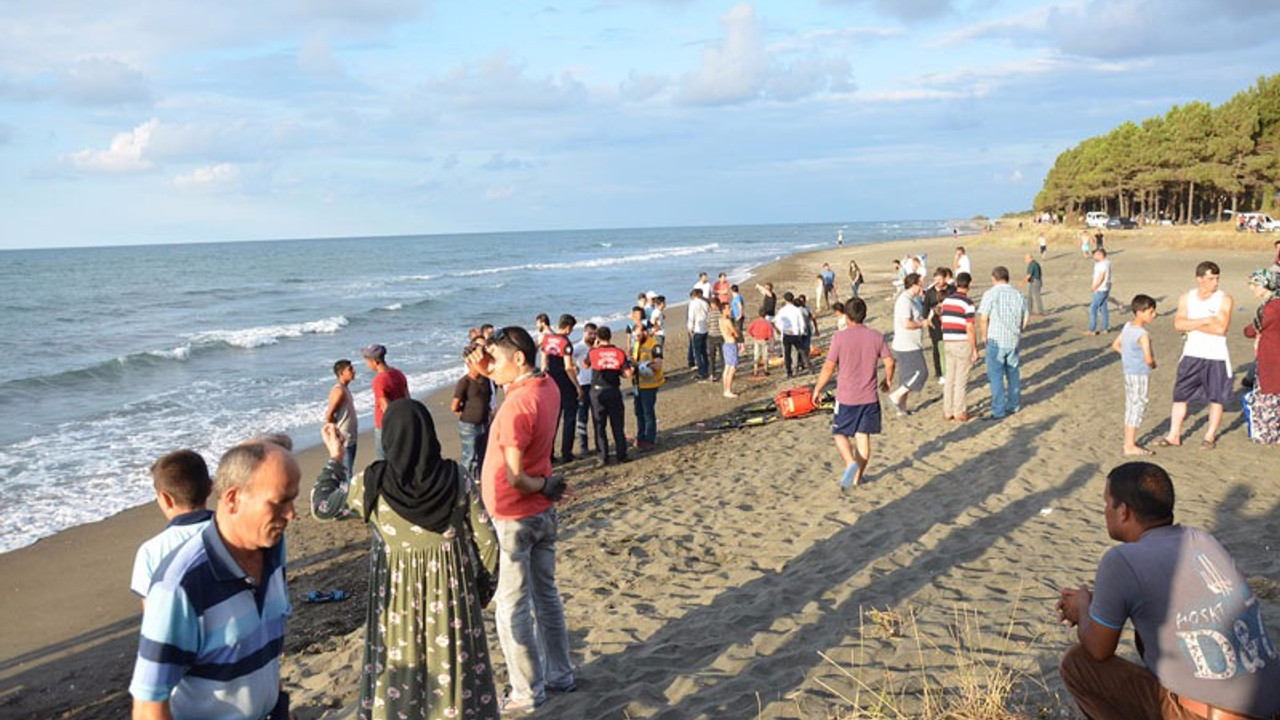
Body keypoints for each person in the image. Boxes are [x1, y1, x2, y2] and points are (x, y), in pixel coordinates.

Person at [311, 401, 501, 720]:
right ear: (430, 434)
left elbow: (322, 507)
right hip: (452, 601)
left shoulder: (371, 483)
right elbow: (488, 543)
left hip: (396, 603)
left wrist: (335, 458)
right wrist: (480, 592)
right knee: (452, 671)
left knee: (400, 671)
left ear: (389, 440)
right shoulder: (457, 477)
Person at [1056, 461, 1280, 720]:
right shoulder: (1203, 540)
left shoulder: (1120, 560)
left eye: (1107, 503)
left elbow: (1098, 649)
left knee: (1078, 665)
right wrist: (1101, 605)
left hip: (1208, 714)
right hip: (1268, 707)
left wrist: (1084, 608)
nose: (1105, 511)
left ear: (1124, 511)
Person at [130, 440, 300, 720]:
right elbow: (149, 705)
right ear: (232, 499)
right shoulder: (179, 587)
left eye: (293, 499)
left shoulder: (273, 550)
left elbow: (261, 650)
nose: (291, 513)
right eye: (280, 501)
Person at [464, 326, 574, 713]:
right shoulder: (547, 388)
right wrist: (485, 370)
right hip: (541, 515)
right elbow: (511, 384)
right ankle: (561, 674)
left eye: (496, 358)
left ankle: (527, 691)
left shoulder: (516, 406)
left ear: (520, 359)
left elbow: (515, 477)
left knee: (511, 606)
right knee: (547, 595)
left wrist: (543, 484)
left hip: (515, 515)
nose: (490, 365)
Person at [811, 297, 895, 490]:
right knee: (863, 437)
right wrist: (888, 379)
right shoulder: (876, 336)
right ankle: (858, 477)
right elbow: (890, 362)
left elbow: (828, 368)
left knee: (839, 433)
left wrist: (817, 389)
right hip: (869, 398)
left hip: (847, 397)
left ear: (847, 316)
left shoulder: (839, 338)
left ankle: (850, 463)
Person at [1158, 262, 1234, 450]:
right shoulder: (1187, 297)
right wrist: (1206, 320)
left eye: (1217, 278)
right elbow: (1178, 324)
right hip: (1192, 353)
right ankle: (1174, 435)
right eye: (1210, 278)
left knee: (1216, 398)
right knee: (1180, 395)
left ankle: (1209, 436)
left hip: (1216, 356)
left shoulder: (1224, 299)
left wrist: (1192, 324)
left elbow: (1220, 328)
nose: (1215, 282)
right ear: (1200, 279)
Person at [130, 450, 213, 605]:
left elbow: (152, 614)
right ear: (210, 487)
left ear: (166, 499)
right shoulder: (235, 532)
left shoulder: (150, 551)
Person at [978, 266, 1029, 420]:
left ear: (994, 278)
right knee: (1013, 374)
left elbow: (983, 317)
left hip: (996, 340)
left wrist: (984, 336)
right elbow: (1026, 318)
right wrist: (1019, 330)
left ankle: (998, 410)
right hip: (1013, 340)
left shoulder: (991, 294)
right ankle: (1013, 405)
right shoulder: (1018, 295)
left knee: (996, 376)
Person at [1111, 295, 1158, 456]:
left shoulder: (1127, 326)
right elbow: (1148, 358)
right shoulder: (1143, 334)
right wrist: (1153, 364)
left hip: (1129, 372)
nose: (1153, 315)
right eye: (1150, 312)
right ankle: (1129, 445)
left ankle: (1129, 442)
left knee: (1131, 404)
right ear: (1140, 312)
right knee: (1137, 405)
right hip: (1139, 373)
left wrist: (1128, 356)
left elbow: (1116, 345)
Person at [538, 314, 582, 463]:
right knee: (569, 418)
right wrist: (577, 386)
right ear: (568, 327)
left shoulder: (547, 339)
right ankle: (566, 452)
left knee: (553, 420)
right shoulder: (565, 343)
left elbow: (543, 363)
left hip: (551, 381)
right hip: (565, 383)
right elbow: (568, 367)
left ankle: (548, 453)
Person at [1244, 267, 1280, 444]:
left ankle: (1268, 434)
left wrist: (1250, 331)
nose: (1252, 288)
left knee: (1269, 395)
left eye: (1254, 284)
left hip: (1272, 356)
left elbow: (1253, 329)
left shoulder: (1270, 308)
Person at [587, 326, 632, 465]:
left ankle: (603, 456)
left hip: (597, 391)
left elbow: (584, 365)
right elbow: (628, 374)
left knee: (599, 425)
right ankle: (621, 454)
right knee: (617, 424)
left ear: (598, 338)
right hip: (613, 390)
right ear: (610, 336)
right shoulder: (618, 352)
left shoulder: (593, 352)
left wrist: (594, 348)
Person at [939, 272, 978, 421]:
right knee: (961, 380)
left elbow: (943, 319)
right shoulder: (968, 303)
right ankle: (959, 411)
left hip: (948, 340)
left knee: (950, 378)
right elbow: (970, 327)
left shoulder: (947, 301)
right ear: (969, 284)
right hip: (961, 342)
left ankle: (947, 411)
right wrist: (974, 348)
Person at [453, 341, 493, 482]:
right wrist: (464, 412)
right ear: (469, 364)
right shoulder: (464, 382)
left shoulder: (486, 380)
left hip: (484, 422)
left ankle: (479, 479)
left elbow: (489, 398)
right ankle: (464, 482)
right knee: (469, 456)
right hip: (469, 425)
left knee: (482, 454)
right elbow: (454, 406)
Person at [888, 273, 928, 416]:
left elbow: (919, 315)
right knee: (921, 373)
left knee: (905, 377)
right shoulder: (904, 301)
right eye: (920, 284)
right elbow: (907, 323)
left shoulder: (914, 299)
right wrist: (921, 324)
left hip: (912, 343)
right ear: (914, 285)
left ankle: (902, 409)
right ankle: (896, 396)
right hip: (907, 344)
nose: (922, 286)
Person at [363, 344, 409, 461]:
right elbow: (407, 398)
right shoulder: (398, 373)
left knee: (382, 459)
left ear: (375, 361)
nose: (366, 363)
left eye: (367, 360)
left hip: (385, 424)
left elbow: (385, 406)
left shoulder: (379, 380)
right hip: (402, 420)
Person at [630, 323, 664, 451]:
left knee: (648, 412)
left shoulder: (654, 346)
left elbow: (657, 365)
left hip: (650, 385)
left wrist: (639, 365)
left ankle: (650, 439)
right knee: (638, 412)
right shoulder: (637, 344)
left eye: (639, 334)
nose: (637, 337)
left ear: (645, 332)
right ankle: (641, 436)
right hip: (637, 384)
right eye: (635, 335)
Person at [324, 359, 358, 475]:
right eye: (350, 369)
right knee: (346, 475)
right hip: (345, 441)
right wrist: (337, 433)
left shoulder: (345, 389)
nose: (354, 371)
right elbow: (328, 415)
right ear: (341, 373)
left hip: (350, 438)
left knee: (348, 472)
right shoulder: (339, 391)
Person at [922, 268, 951, 386]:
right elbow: (925, 308)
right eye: (936, 280)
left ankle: (949, 371)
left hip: (949, 323)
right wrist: (926, 319)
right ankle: (939, 372)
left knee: (949, 348)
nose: (938, 282)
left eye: (940, 279)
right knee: (937, 348)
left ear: (945, 279)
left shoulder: (951, 290)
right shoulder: (930, 292)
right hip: (935, 324)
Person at [574, 322, 598, 457]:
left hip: (596, 384)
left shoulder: (597, 347)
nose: (593, 336)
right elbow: (567, 358)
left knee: (597, 416)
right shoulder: (578, 347)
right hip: (583, 384)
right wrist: (573, 366)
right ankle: (583, 446)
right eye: (590, 333)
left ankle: (599, 444)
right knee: (582, 417)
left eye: (595, 333)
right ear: (584, 333)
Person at [774, 292, 808, 378]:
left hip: (786, 333)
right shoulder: (796, 310)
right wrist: (802, 331)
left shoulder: (782, 310)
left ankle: (789, 372)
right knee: (800, 351)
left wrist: (781, 330)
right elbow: (801, 322)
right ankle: (805, 366)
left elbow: (777, 321)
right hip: (796, 333)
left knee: (787, 354)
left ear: (785, 300)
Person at [1086, 248, 1113, 335]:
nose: (1094, 256)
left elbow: (1102, 276)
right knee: (1103, 308)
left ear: (1101, 254)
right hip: (1106, 288)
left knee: (1093, 308)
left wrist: (1095, 286)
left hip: (1100, 289)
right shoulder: (1107, 262)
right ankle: (1105, 327)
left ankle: (1092, 329)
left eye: (1095, 254)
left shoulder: (1102, 264)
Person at [687, 289, 711, 380]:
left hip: (697, 329)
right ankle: (706, 368)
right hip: (705, 328)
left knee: (697, 352)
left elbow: (691, 317)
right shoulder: (705, 303)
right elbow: (708, 314)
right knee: (704, 350)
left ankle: (701, 372)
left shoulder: (693, 304)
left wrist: (690, 328)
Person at [719, 301, 741, 398]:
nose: (730, 310)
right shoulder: (727, 321)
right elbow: (735, 333)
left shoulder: (720, 320)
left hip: (726, 343)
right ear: (724, 310)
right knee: (732, 368)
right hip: (730, 344)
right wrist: (735, 332)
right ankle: (728, 390)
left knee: (727, 367)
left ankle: (726, 389)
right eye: (728, 308)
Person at [748, 309, 773, 376]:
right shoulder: (767, 323)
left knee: (756, 355)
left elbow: (749, 329)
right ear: (765, 315)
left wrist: (753, 335)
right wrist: (770, 343)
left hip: (757, 339)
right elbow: (770, 334)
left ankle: (755, 370)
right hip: (764, 340)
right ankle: (765, 369)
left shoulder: (755, 322)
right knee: (765, 355)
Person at [1020, 252, 1045, 316]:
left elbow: (1029, 275)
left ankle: (1041, 311)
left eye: (1026, 259)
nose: (1025, 260)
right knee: (1029, 296)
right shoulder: (1033, 264)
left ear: (1030, 258)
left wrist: (1022, 282)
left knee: (1037, 296)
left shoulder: (1033, 264)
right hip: (1032, 282)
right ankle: (1029, 310)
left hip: (1035, 282)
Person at [706, 298, 725, 381]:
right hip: (721, 335)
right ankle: (724, 372)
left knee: (712, 357)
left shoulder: (710, 314)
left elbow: (708, 324)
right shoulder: (721, 313)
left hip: (712, 336)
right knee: (722, 356)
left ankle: (711, 374)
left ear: (714, 305)